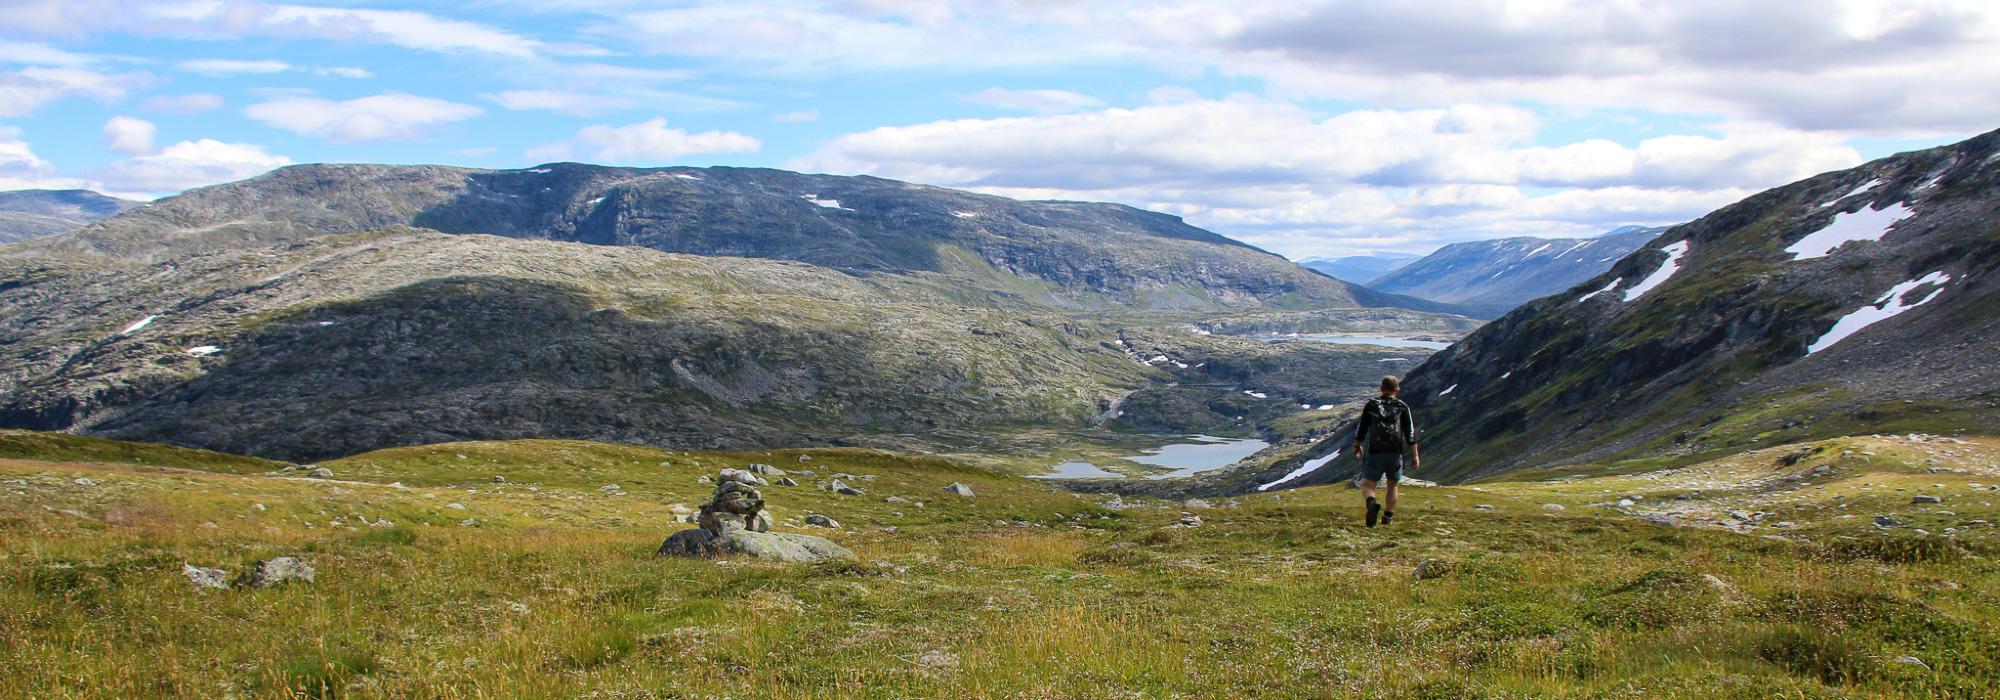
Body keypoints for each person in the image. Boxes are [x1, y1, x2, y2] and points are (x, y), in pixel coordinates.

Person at [1352, 375, 1419, 527]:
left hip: (1375, 451)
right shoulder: (1402, 406)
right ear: (1398, 390)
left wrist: (1357, 445)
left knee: (1368, 484)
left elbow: (1362, 428)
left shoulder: (1372, 405)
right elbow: (1410, 433)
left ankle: (1371, 503)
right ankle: (1388, 517)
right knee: (1392, 485)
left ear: (1381, 389)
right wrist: (1415, 455)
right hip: (1395, 452)